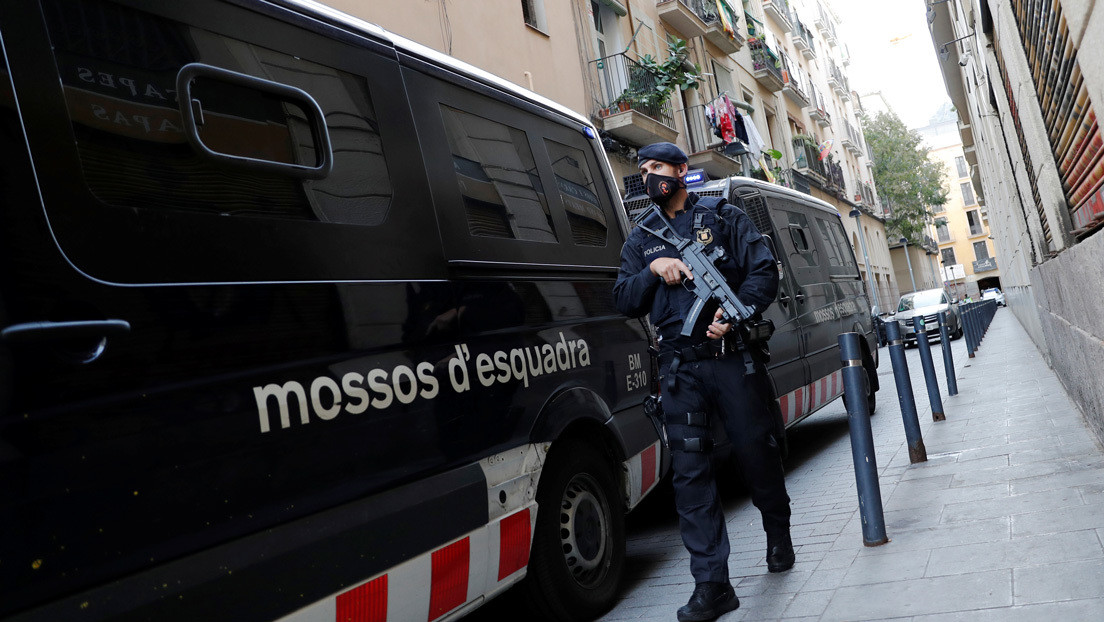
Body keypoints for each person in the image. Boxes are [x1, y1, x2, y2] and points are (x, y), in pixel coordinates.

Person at [614, 143, 793, 622]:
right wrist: (654, 270)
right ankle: (712, 585)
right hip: (679, 371)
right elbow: (623, 298)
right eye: (644, 169)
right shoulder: (642, 239)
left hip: (731, 358)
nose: (650, 176)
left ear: (680, 171)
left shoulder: (723, 215)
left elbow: (762, 272)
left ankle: (778, 531)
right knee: (691, 476)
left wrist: (734, 316)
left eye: (657, 168)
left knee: (756, 452)